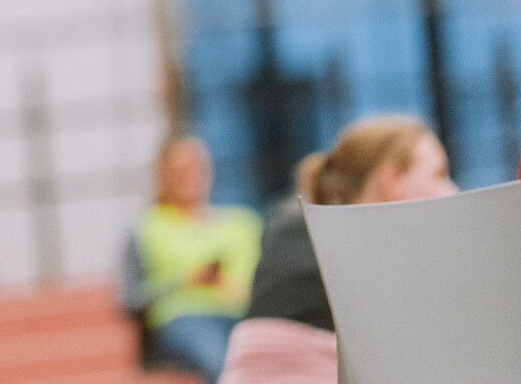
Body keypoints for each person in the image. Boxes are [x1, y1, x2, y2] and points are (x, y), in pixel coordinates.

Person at [220, 115, 456, 383]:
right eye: (439, 175)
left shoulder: (287, 229)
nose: (452, 190)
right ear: (391, 180)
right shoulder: (397, 259)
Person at [120, 136, 261, 382]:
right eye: (178, 170)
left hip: (247, 314)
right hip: (185, 318)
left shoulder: (244, 223)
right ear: (162, 175)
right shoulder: (146, 227)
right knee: (223, 363)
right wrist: (185, 281)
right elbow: (130, 300)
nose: (188, 176)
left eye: (195, 166)